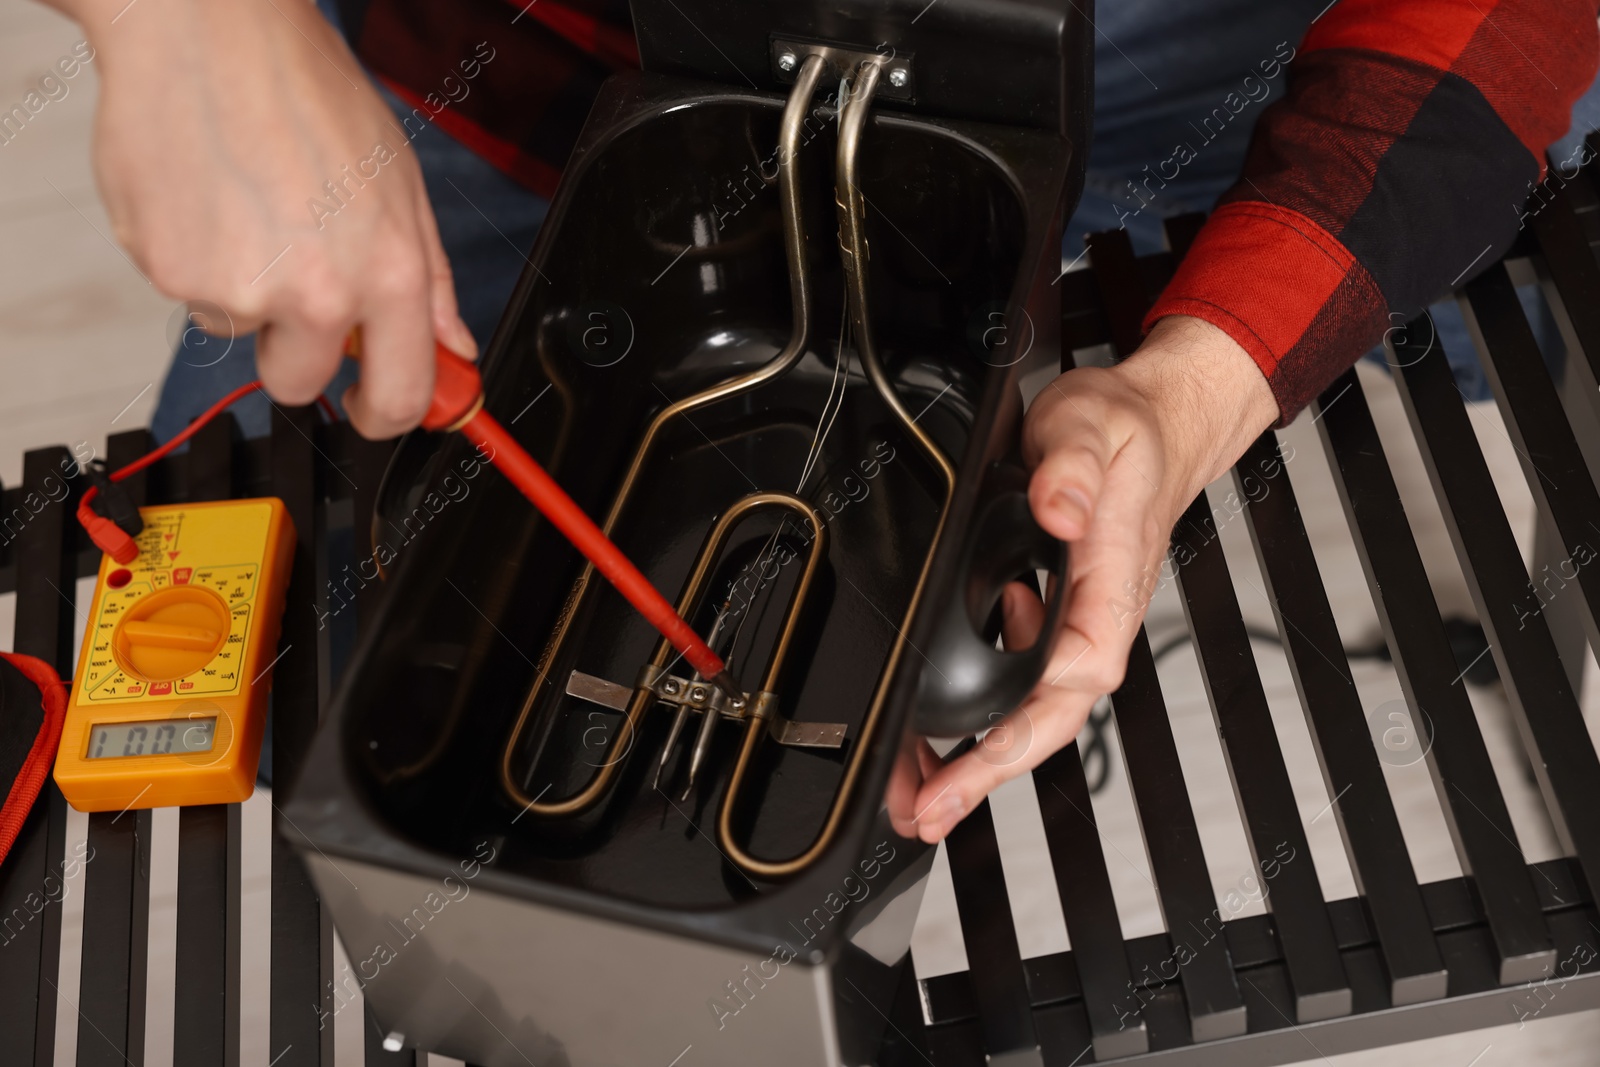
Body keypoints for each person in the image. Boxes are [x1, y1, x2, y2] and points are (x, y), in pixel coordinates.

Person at [38, 0, 1600, 843]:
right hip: (536, 57)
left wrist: (1195, 389)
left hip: (1190, 37)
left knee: (1513, 297)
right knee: (282, 596)